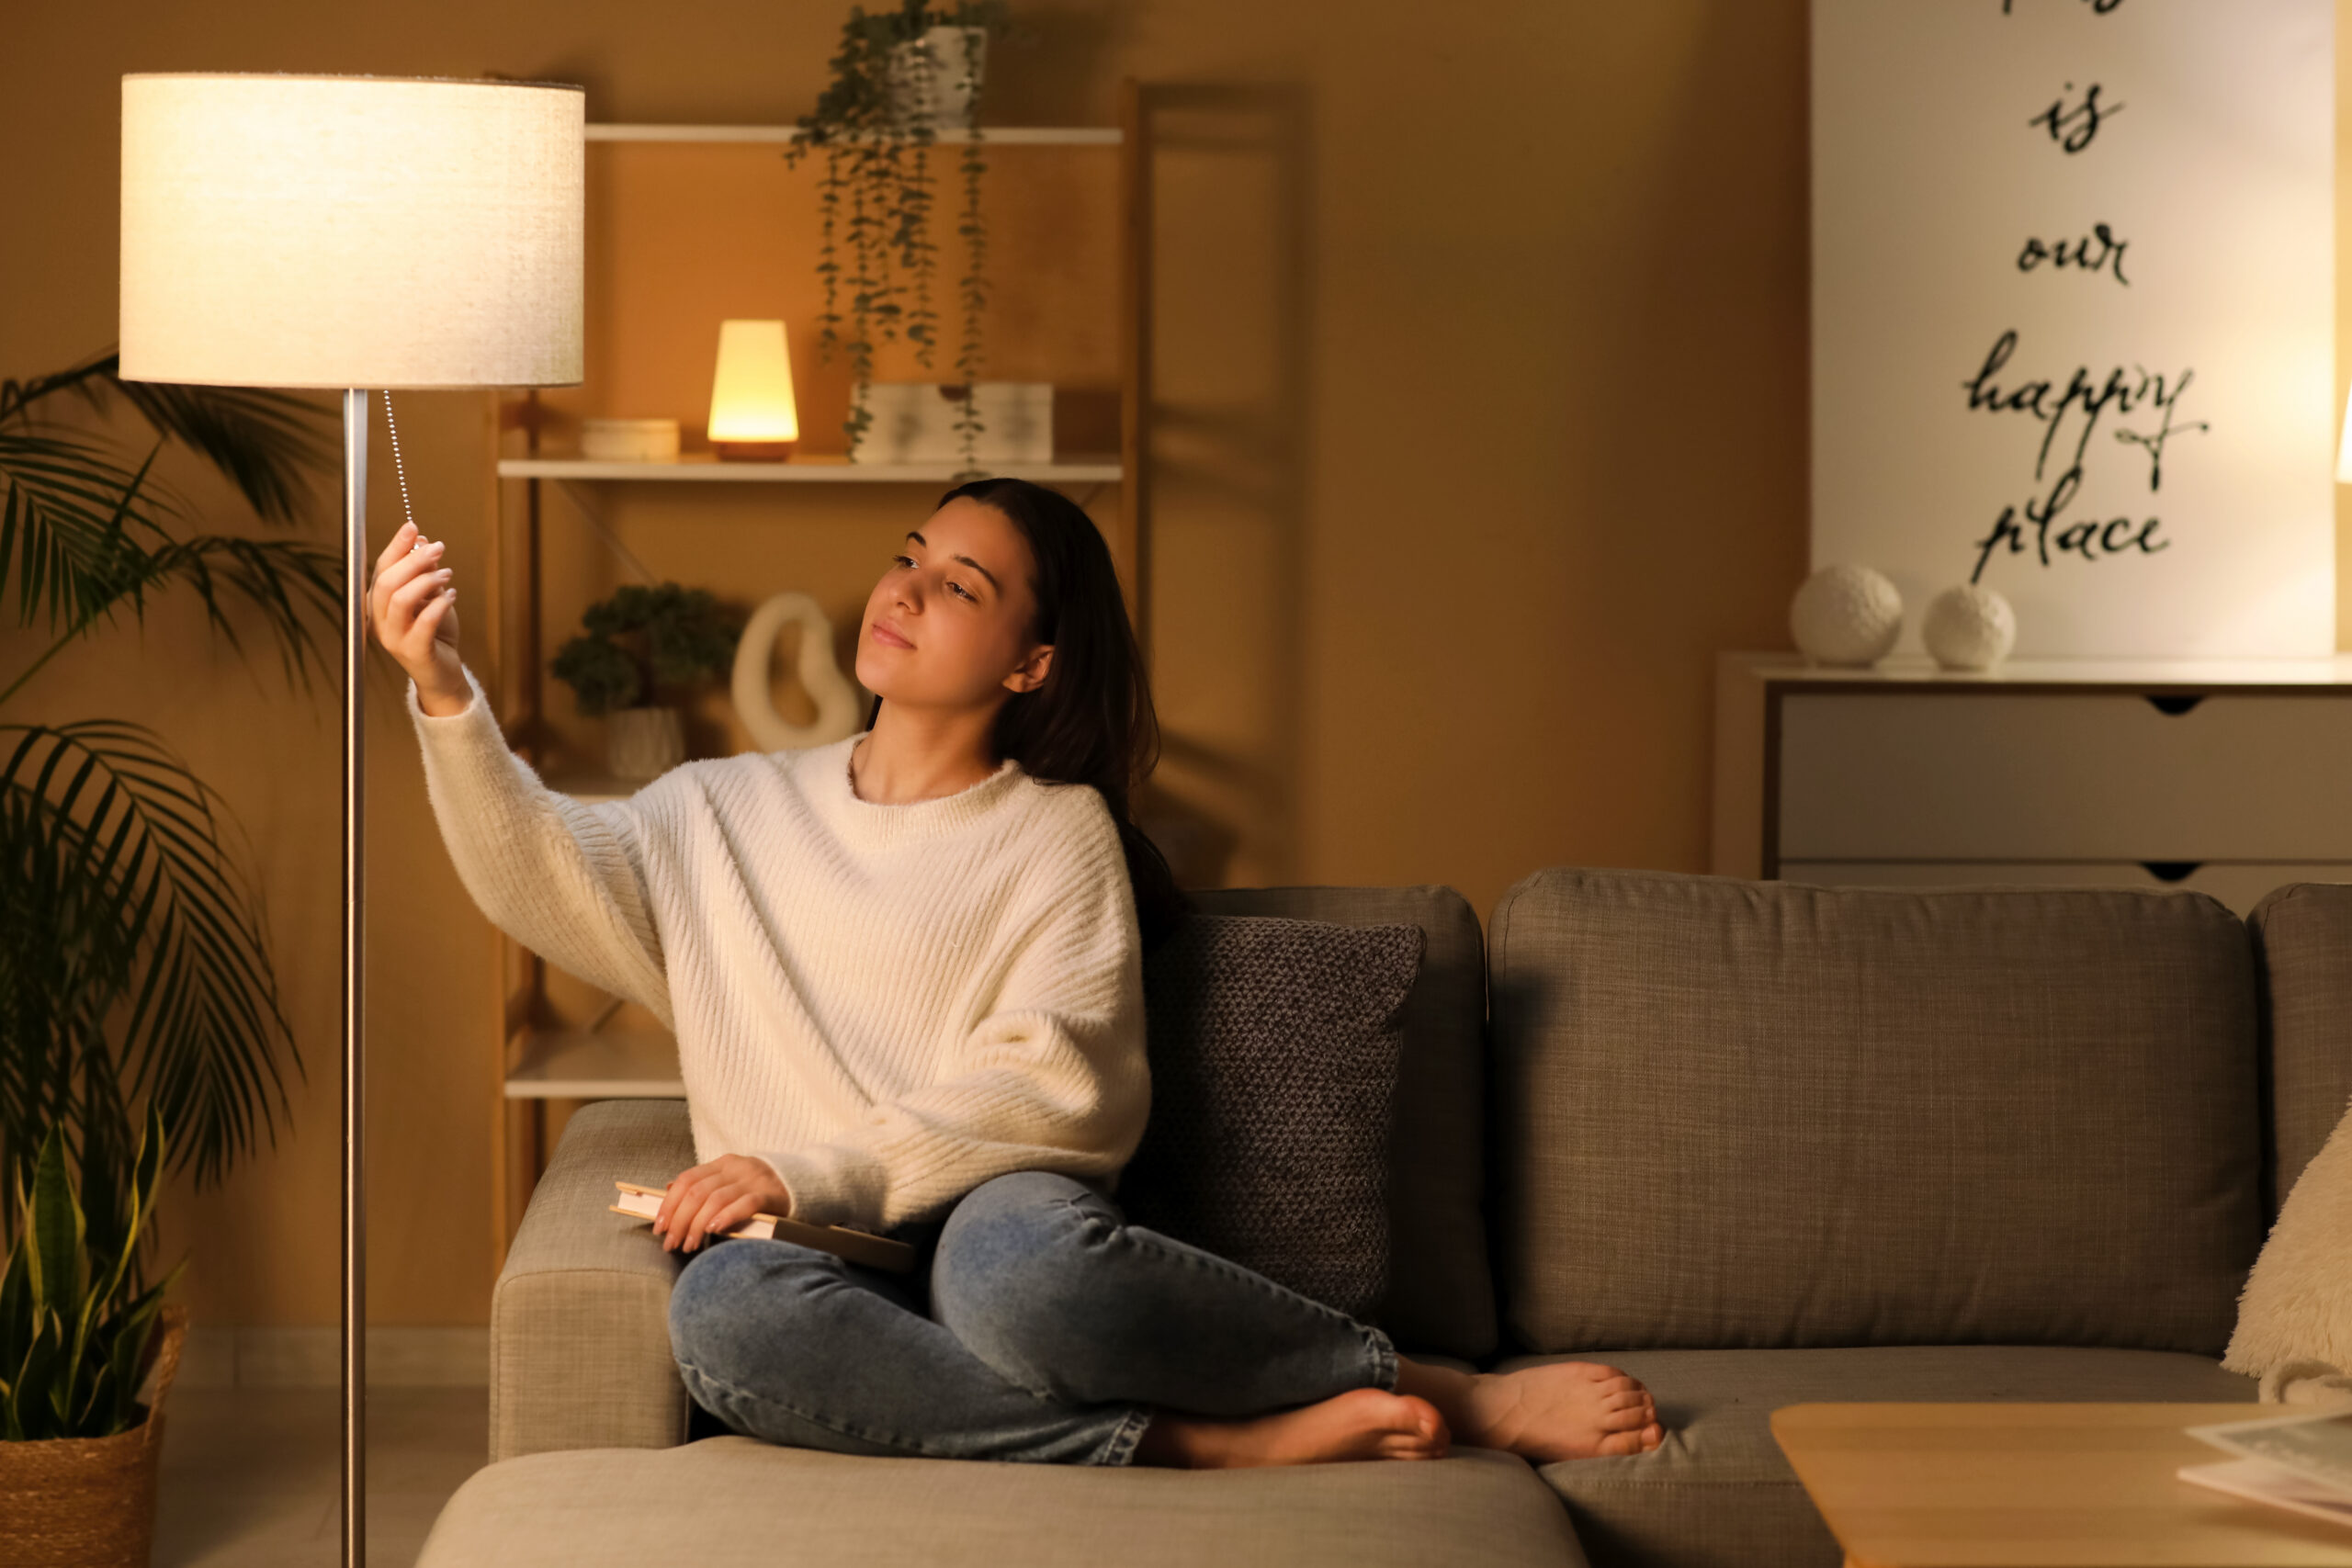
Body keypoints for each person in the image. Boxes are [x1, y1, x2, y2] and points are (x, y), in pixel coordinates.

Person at [373, 476, 1664, 1469]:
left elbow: (1057, 1085)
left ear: (1031, 663)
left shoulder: (1056, 832)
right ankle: (1192, 1446)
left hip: (995, 1212)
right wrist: (441, 688)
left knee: (1023, 1282)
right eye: (909, 559)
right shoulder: (718, 808)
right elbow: (541, 873)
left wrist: (809, 1165)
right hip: (808, 1250)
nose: (905, 591)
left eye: (962, 586)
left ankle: (1438, 1388)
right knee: (725, 1317)